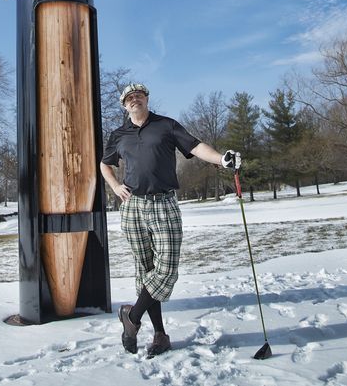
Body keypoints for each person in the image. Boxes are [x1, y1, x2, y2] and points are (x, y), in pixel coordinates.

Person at [99, 82, 241, 358]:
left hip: (163, 203)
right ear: (124, 105)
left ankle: (133, 316)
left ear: (146, 99)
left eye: (138, 95)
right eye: (129, 97)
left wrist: (221, 160)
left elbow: (196, 146)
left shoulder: (166, 125)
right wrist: (115, 186)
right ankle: (160, 335)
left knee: (166, 270)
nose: (134, 99)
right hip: (133, 208)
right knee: (145, 271)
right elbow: (105, 163)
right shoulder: (118, 135)